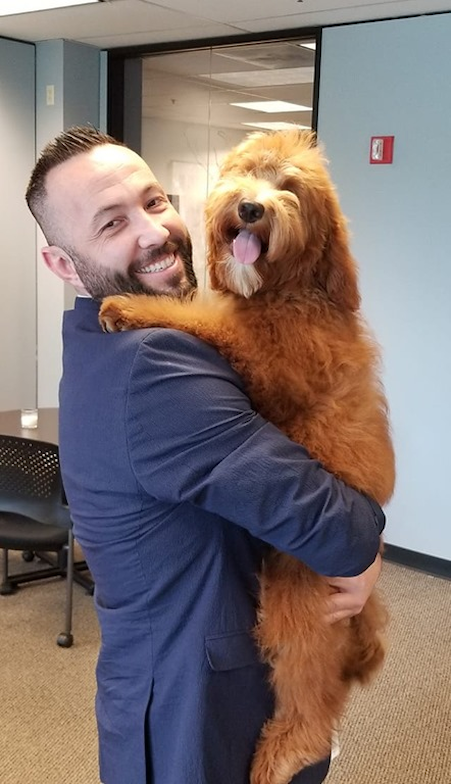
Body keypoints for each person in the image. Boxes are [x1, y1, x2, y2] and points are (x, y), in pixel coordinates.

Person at [26, 126, 385, 784]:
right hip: (201, 709)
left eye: (154, 202)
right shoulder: (151, 363)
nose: (153, 231)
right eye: (112, 223)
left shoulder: (99, 343)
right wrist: (363, 545)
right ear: (61, 264)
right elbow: (342, 533)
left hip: (177, 677)